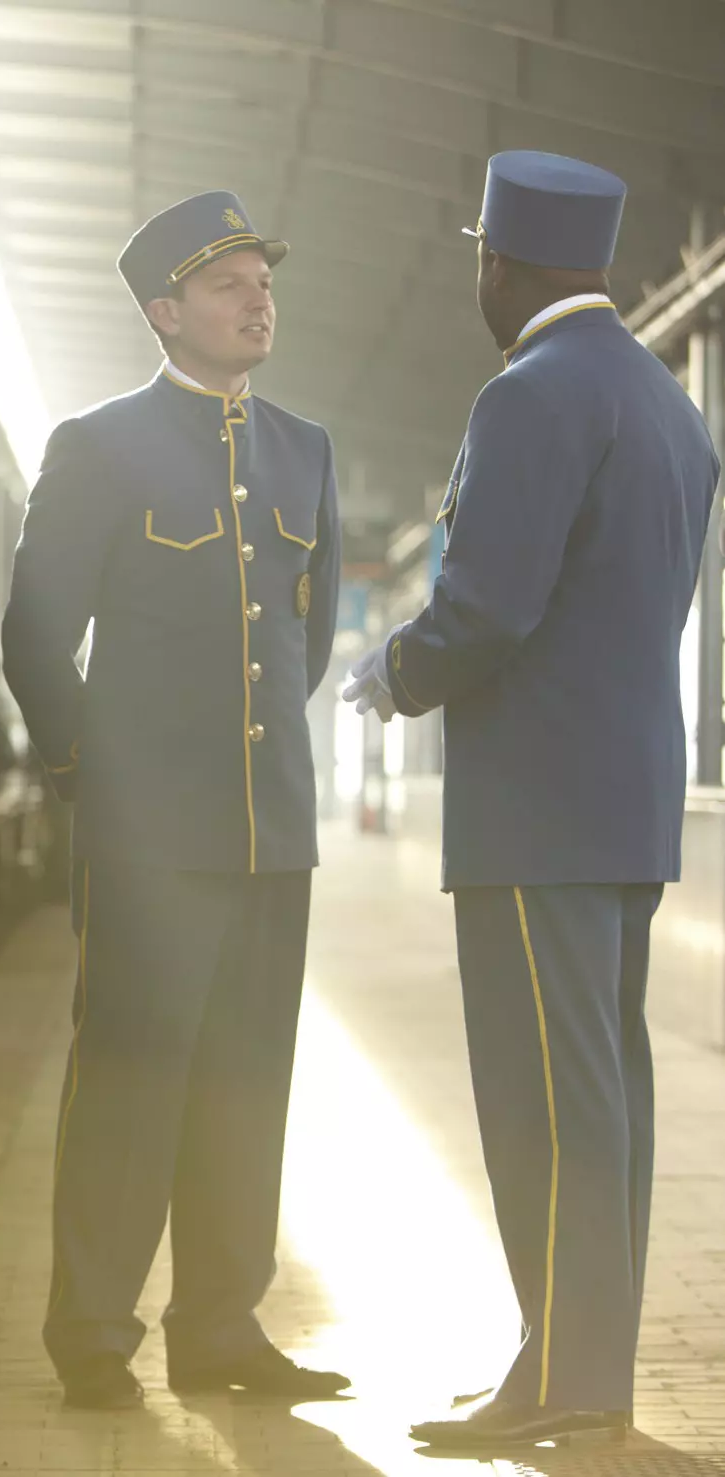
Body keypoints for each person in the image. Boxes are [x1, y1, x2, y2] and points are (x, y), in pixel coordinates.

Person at [343, 152, 720, 1448]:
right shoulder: (668, 408)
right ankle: (576, 1366)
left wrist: (391, 670)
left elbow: (486, 608)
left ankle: (562, 1384)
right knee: (603, 1094)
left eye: (479, 262)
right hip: (623, 808)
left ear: (500, 263)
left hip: (534, 813)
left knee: (542, 1102)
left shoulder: (529, 395)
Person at [1, 192, 346, 1409]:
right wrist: (97, 783)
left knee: (249, 1084)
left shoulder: (305, 448)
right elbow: (37, 636)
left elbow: (309, 638)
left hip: (270, 836)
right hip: (147, 841)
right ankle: (93, 1333)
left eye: (262, 278)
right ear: (163, 313)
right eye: (226, 285)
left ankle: (219, 1329)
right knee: (131, 1084)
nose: (257, 299)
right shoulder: (98, 446)